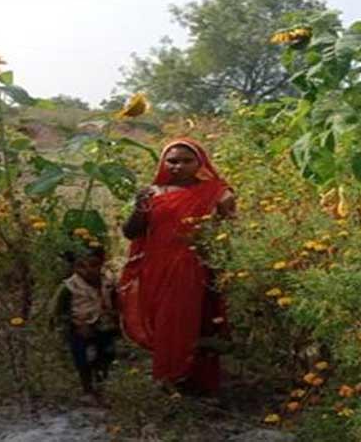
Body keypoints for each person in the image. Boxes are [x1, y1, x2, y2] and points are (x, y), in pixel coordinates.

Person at [119, 137, 235, 395]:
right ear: (163, 162)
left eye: (186, 161)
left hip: (196, 268)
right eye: (172, 161)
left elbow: (230, 232)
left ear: (200, 163)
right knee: (165, 325)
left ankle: (198, 384)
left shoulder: (218, 192)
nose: (178, 166)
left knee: (197, 323)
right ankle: (169, 381)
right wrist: (140, 208)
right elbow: (131, 233)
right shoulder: (152, 194)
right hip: (157, 268)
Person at [51, 247, 119, 404]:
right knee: (84, 359)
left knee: (106, 356)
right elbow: (58, 312)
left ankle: (102, 388)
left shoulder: (108, 283)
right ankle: (87, 390)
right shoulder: (69, 287)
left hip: (104, 327)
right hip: (80, 330)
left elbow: (116, 303)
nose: (89, 270)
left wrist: (116, 320)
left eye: (94, 264)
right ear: (75, 267)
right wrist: (74, 325)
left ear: (101, 264)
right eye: (82, 266)